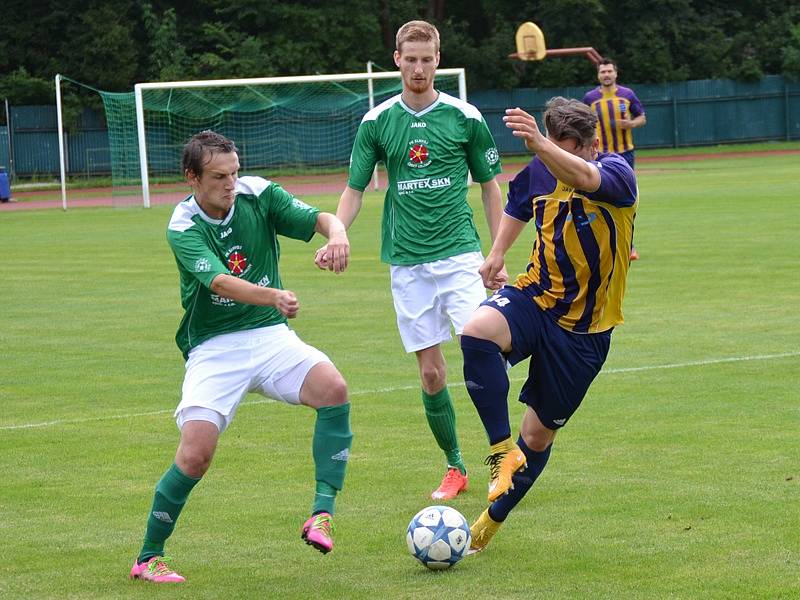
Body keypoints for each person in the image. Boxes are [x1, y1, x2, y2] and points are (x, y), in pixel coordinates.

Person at [129, 131, 353, 584]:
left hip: (269, 336)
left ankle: (321, 514)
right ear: (191, 178)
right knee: (195, 455)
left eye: (233, 172)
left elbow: (319, 219)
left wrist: (338, 234)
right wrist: (273, 295)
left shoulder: (259, 193)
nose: (230, 183)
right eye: (218, 176)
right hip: (214, 347)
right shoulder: (183, 225)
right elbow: (219, 283)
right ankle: (148, 557)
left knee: (334, 389)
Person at [315, 20, 505, 501]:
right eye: (411, 59)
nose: (419, 68)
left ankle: (503, 456)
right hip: (407, 262)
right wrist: (338, 233)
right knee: (431, 373)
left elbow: (490, 187)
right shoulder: (377, 123)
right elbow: (354, 191)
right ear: (396, 60)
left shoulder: (465, 117)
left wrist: (496, 252)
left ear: (438, 60)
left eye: (427, 59)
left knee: (482, 353)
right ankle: (456, 466)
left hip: (461, 256)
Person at [459, 98, 637, 553]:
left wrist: (539, 143)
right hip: (536, 296)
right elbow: (519, 203)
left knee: (537, 436)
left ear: (589, 145)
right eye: (545, 149)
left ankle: (489, 523)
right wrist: (497, 252)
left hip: (585, 332)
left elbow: (582, 177)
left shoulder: (617, 174)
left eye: (560, 150)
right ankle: (501, 451)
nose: (548, 159)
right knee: (477, 331)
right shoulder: (540, 168)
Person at [582, 59, 645, 260]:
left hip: (625, 154)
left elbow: (642, 117)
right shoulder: (590, 98)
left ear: (616, 73)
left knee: (627, 199)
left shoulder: (627, 95)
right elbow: (582, 123)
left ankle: (629, 245)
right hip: (599, 155)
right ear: (598, 75)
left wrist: (630, 124)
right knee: (596, 200)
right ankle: (600, 244)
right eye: (603, 72)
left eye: (609, 71)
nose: (606, 75)